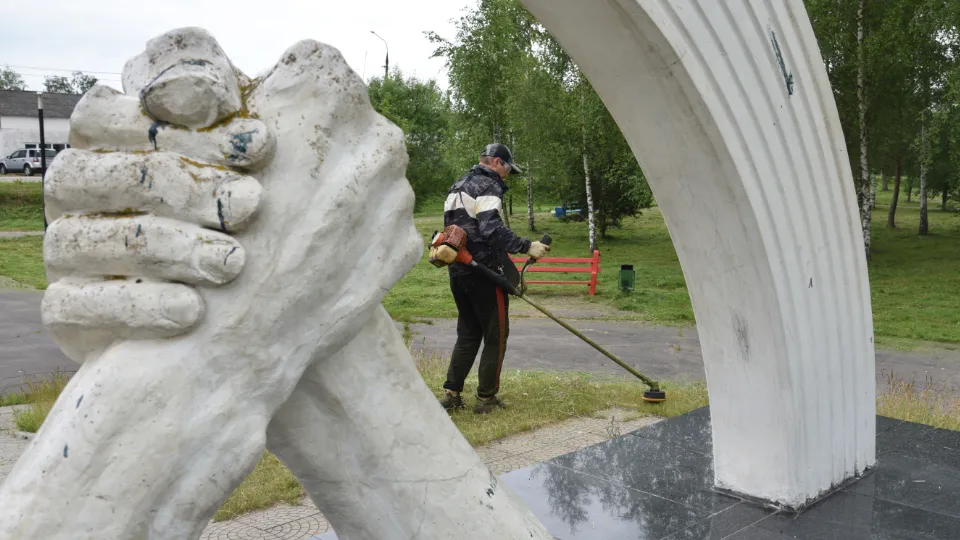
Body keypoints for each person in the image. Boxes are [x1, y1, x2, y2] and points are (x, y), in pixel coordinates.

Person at [439, 143, 551, 414]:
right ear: (498, 162)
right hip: (484, 274)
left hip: (458, 270)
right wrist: (527, 246)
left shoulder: (458, 185)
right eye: (508, 170)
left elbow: (464, 232)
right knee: (496, 336)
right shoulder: (488, 186)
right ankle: (486, 399)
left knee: (467, 334)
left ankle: (452, 395)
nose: (508, 176)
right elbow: (491, 230)